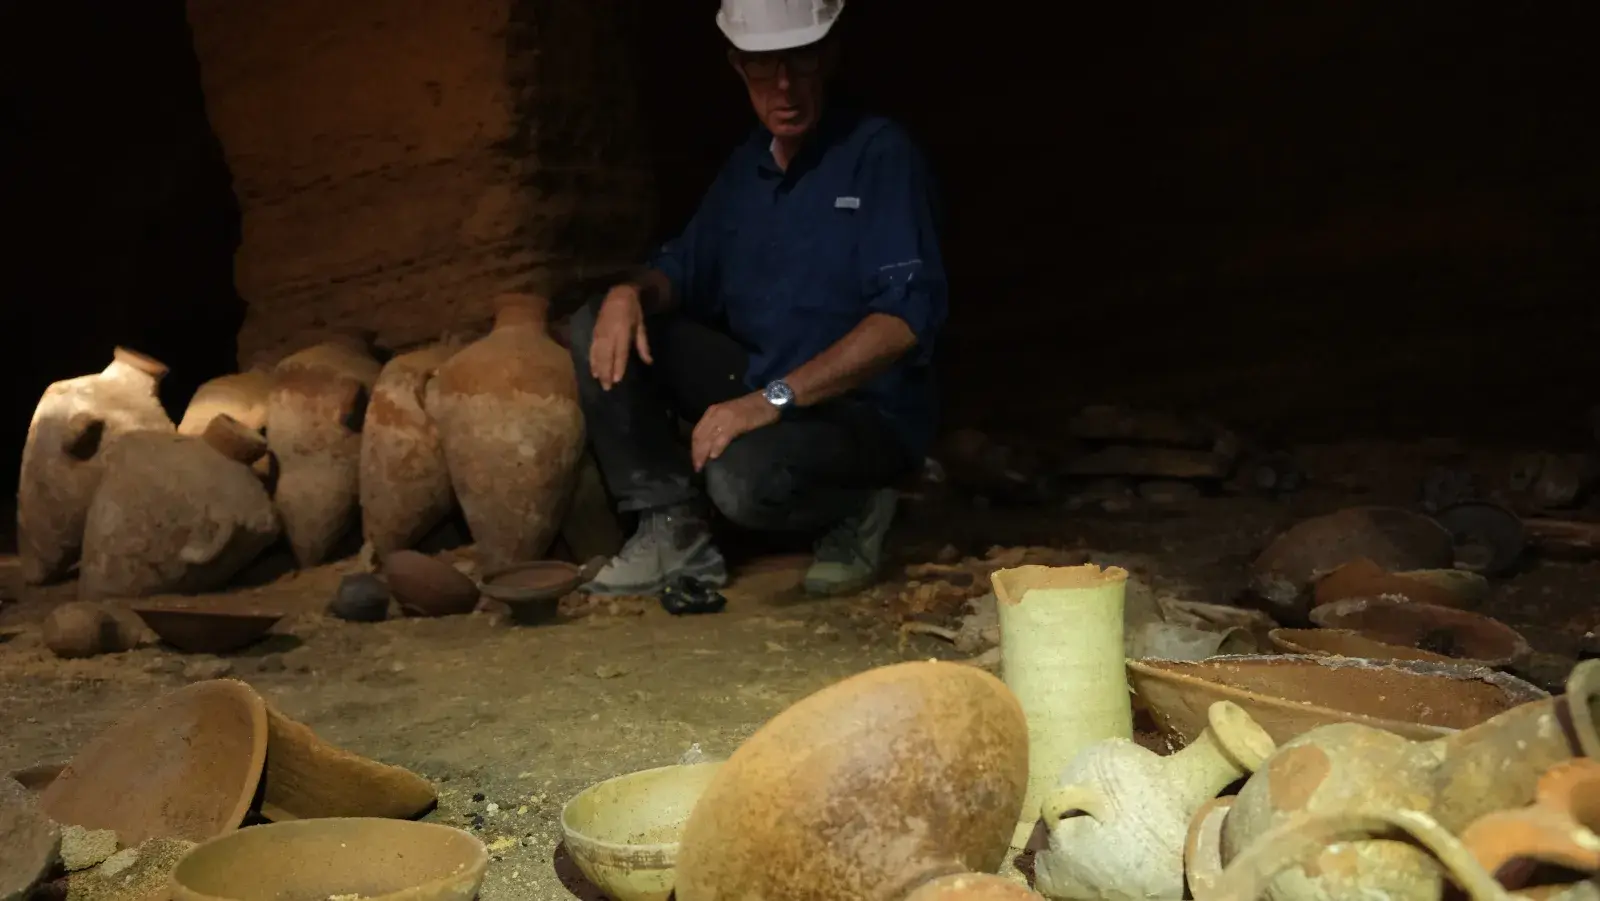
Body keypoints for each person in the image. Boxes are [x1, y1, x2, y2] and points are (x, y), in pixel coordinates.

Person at [570, 0, 947, 598]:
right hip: (765, 387)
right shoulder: (748, 170)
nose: (784, 86)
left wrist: (769, 400)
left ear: (828, 57)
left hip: (861, 414)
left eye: (799, 61)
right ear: (737, 65)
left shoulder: (877, 155)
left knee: (740, 482)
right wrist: (628, 291)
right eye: (763, 65)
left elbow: (903, 321)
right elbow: (682, 271)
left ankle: (863, 506)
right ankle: (673, 525)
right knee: (599, 322)